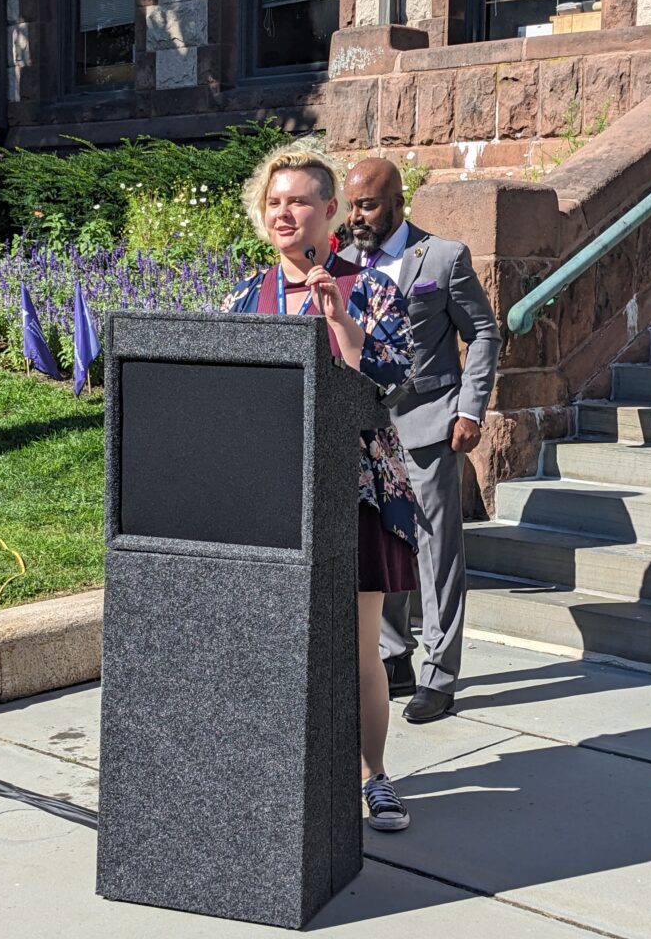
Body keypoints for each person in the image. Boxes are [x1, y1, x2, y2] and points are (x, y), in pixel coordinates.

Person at [221, 146, 418, 831]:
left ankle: (372, 776)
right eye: (276, 202)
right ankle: (281, 770)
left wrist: (342, 323)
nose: (285, 212)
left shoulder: (373, 288)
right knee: (273, 639)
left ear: (330, 211)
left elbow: (393, 385)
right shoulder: (243, 299)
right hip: (272, 490)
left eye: (300, 200)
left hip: (356, 490)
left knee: (359, 644)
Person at [342, 158, 501, 723]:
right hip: (362, 427)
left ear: (397, 202)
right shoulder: (340, 263)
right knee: (382, 544)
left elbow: (482, 331)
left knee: (436, 552)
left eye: (368, 205)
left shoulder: (442, 257)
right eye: (351, 204)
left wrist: (469, 408)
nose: (356, 216)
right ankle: (393, 657)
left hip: (431, 422)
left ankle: (439, 674)